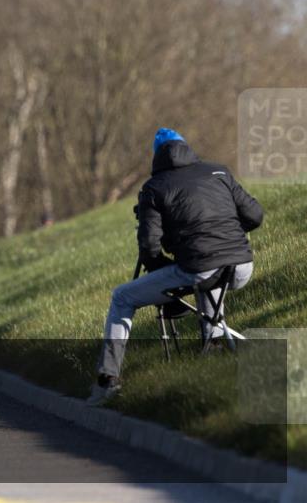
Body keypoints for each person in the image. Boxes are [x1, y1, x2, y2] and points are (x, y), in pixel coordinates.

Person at [88, 128, 264, 406]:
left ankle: (107, 379)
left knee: (122, 297)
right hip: (242, 265)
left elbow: (149, 247)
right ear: (186, 147)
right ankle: (213, 347)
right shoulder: (219, 172)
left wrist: (164, 269)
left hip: (201, 269)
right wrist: (226, 231)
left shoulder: (154, 187)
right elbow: (255, 215)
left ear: (157, 155)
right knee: (208, 275)